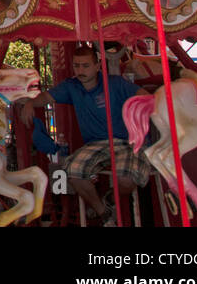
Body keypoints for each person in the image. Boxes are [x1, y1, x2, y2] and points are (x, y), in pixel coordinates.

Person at [17, 44, 151, 225]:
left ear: (97, 66)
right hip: (95, 144)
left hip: (124, 141)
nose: (81, 70)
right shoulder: (71, 86)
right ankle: (104, 213)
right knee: (71, 173)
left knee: (126, 179)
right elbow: (46, 97)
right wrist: (31, 104)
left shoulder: (116, 84)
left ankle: (111, 199)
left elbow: (145, 97)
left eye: (86, 65)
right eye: (77, 65)